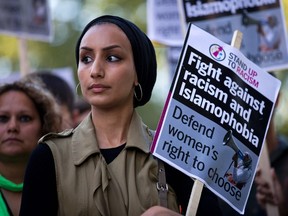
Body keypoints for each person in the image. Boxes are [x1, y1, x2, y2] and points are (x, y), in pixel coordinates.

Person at [19, 15, 222, 216]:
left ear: (138, 73)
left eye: (112, 58)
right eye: (86, 59)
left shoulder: (174, 156)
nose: (95, 71)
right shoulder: (48, 157)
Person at [218, 71, 288, 216]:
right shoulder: (220, 166)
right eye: (244, 91)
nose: (250, 101)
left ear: (277, 98)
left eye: (259, 91)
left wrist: (282, 209)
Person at [0, 77, 62, 216]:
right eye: (2, 118)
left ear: (45, 125)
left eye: (24, 118)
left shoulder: (65, 183)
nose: (12, 127)